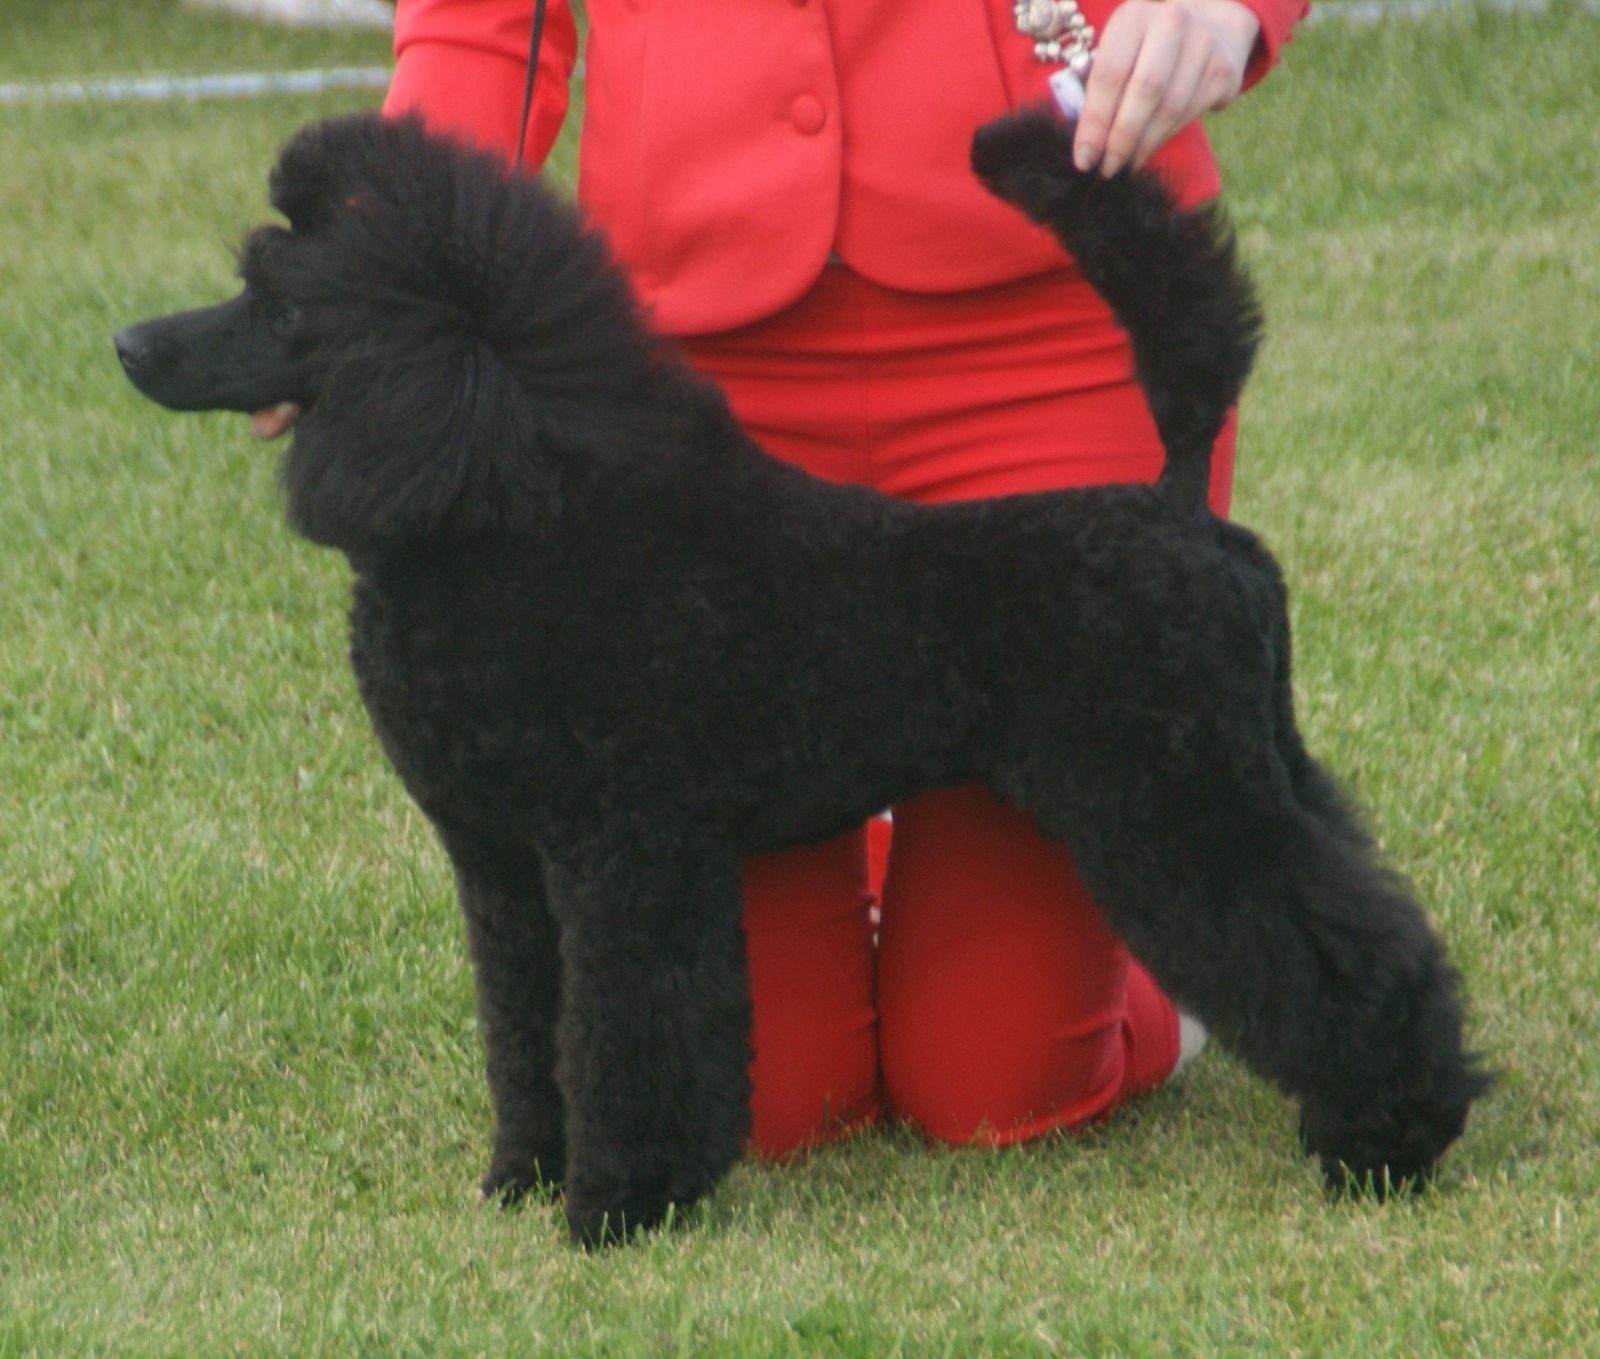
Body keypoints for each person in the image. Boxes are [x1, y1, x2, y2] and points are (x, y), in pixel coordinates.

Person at [376, 0, 1308, 1159]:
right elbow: (478, 24)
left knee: (998, 1087)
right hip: (698, 360)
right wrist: (379, 280)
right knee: (773, 1109)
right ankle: (883, 843)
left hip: (1052, 320)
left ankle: (1150, 962)